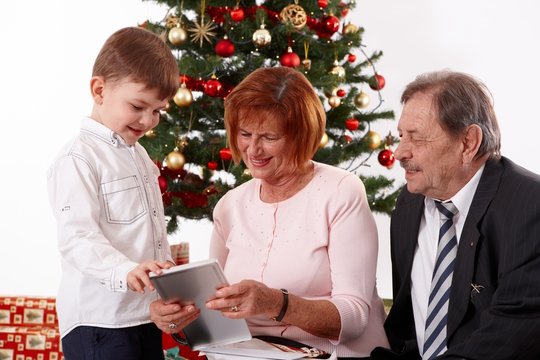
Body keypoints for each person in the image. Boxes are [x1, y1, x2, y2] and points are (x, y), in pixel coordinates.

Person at [150, 66, 389, 358]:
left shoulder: (341, 191)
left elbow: (354, 318)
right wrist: (176, 320)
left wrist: (276, 303)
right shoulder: (230, 205)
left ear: (302, 136)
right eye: (245, 134)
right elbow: (215, 316)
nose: (253, 150)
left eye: (269, 137)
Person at [370, 70, 540, 360]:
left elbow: (508, 341)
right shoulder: (409, 204)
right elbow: (408, 328)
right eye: (401, 136)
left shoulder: (530, 207)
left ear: (468, 143)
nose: (398, 153)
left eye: (417, 139)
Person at [47, 27, 180, 359]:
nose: (149, 120)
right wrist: (123, 271)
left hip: (143, 316)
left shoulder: (138, 155)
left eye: (158, 110)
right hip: (100, 323)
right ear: (99, 90)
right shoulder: (77, 158)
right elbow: (77, 237)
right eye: (138, 106)